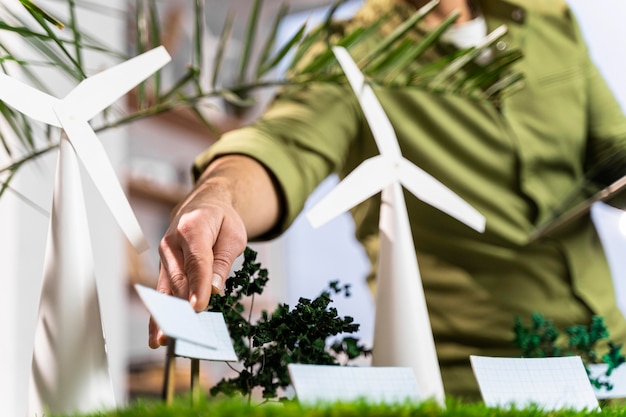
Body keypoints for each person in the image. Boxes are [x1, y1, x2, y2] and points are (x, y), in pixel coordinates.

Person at [150, 0, 626, 399]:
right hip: (474, 382)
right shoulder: (347, 53)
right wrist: (219, 195)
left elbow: (613, 148)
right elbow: (282, 145)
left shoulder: (549, 16)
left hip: (612, 354)